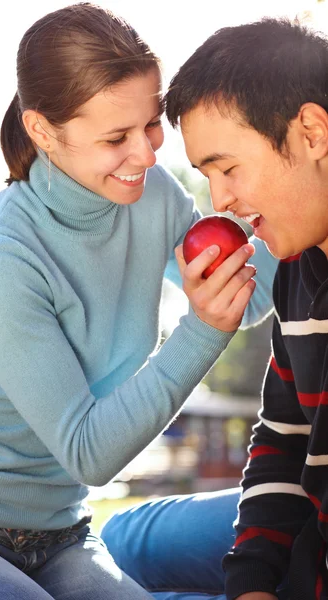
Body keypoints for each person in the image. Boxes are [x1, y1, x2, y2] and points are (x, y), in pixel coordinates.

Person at [0, 4, 276, 600]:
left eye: (151, 125)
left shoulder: (154, 197)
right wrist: (200, 331)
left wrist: (303, 202)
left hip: (59, 535)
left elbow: (245, 297)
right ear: (43, 131)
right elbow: (89, 451)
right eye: (116, 138)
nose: (146, 154)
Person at [101, 16, 328, 600]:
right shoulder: (298, 269)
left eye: (228, 168)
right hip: (301, 521)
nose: (220, 201)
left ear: (311, 132)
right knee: (121, 539)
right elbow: (282, 439)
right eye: (207, 175)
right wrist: (251, 583)